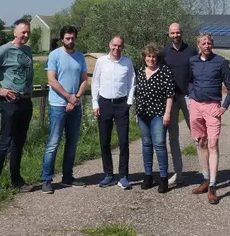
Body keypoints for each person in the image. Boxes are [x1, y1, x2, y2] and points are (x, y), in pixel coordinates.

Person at [0, 18, 35, 190]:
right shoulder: (5, 49)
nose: (26, 35)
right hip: (11, 101)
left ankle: (16, 179)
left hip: (26, 101)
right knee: (5, 140)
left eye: (28, 32)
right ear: (15, 32)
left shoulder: (28, 50)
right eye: (23, 32)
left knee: (19, 141)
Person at [188, 32, 230, 204]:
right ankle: (206, 178)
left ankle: (213, 187)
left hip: (213, 107)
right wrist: (190, 96)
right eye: (203, 43)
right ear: (198, 45)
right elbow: (188, 81)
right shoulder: (192, 61)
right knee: (201, 141)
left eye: (209, 43)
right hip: (196, 106)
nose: (207, 45)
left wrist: (224, 106)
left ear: (212, 44)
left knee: (213, 144)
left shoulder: (221, 62)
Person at [41, 25, 88, 194]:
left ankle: (68, 176)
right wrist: (68, 97)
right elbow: (52, 80)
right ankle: (46, 179)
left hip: (75, 105)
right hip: (58, 106)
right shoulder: (54, 55)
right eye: (67, 38)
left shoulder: (80, 56)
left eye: (73, 38)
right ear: (62, 39)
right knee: (53, 142)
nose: (70, 41)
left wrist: (75, 98)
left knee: (72, 143)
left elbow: (84, 79)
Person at [91, 35, 136, 189]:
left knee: (123, 142)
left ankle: (123, 176)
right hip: (104, 103)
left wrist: (129, 102)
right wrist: (95, 103)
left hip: (121, 104)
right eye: (114, 45)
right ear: (109, 45)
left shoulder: (127, 62)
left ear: (123, 47)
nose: (116, 48)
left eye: (120, 46)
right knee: (105, 141)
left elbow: (132, 83)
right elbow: (95, 82)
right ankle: (108, 174)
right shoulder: (101, 61)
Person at [159, 22, 198, 186]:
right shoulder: (163, 53)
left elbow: (197, 72)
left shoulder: (191, 51)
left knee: (197, 133)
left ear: (182, 33)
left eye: (178, 32)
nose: (176, 35)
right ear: (169, 35)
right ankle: (178, 172)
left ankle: (206, 172)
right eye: (172, 33)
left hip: (189, 97)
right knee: (173, 137)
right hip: (171, 99)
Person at [134, 43, 176, 193]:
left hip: (159, 114)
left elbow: (170, 94)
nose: (151, 59)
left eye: (153, 56)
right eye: (148, 56)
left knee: (159, 145)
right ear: (144, 58)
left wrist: (167, 113)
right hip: (143, 114)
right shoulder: (140, 71)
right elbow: (137, 93)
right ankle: (148, 175)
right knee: (146, 145)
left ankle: (163, 178)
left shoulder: (164, 71)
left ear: (157, 58)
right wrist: (136, 112)